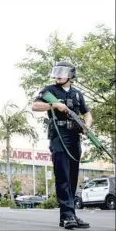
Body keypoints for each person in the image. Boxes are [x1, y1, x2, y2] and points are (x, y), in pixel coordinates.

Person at [32, 61, 92, 229]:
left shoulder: (78, 94)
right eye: (56, 71)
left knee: (73, 177)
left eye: (62, 72)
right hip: (59, 137)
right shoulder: (50, 90)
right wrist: (54, 105)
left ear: (71, 75)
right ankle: (66, 215)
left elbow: (87, 114)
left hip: (74, 137)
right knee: (63, 176)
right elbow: (35, 105)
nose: (58, 74)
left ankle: (71, 214)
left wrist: (87, 126)